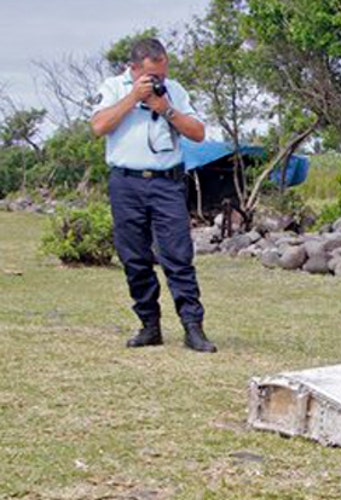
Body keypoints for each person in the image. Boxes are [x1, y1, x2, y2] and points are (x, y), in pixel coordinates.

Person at [91, 38, 216, 353]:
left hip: (166, 183)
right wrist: (134, 97)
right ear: (133, 69)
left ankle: (193, 327)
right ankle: (149, 325)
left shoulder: (175, 90)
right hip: (126, 183)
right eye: (151, 75)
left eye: (162, 73)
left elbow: (198, 133)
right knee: (134, 257)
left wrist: (166, 108)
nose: (158, 80)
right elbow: (99, 126)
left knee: (178, 255)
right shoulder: (113, 88)